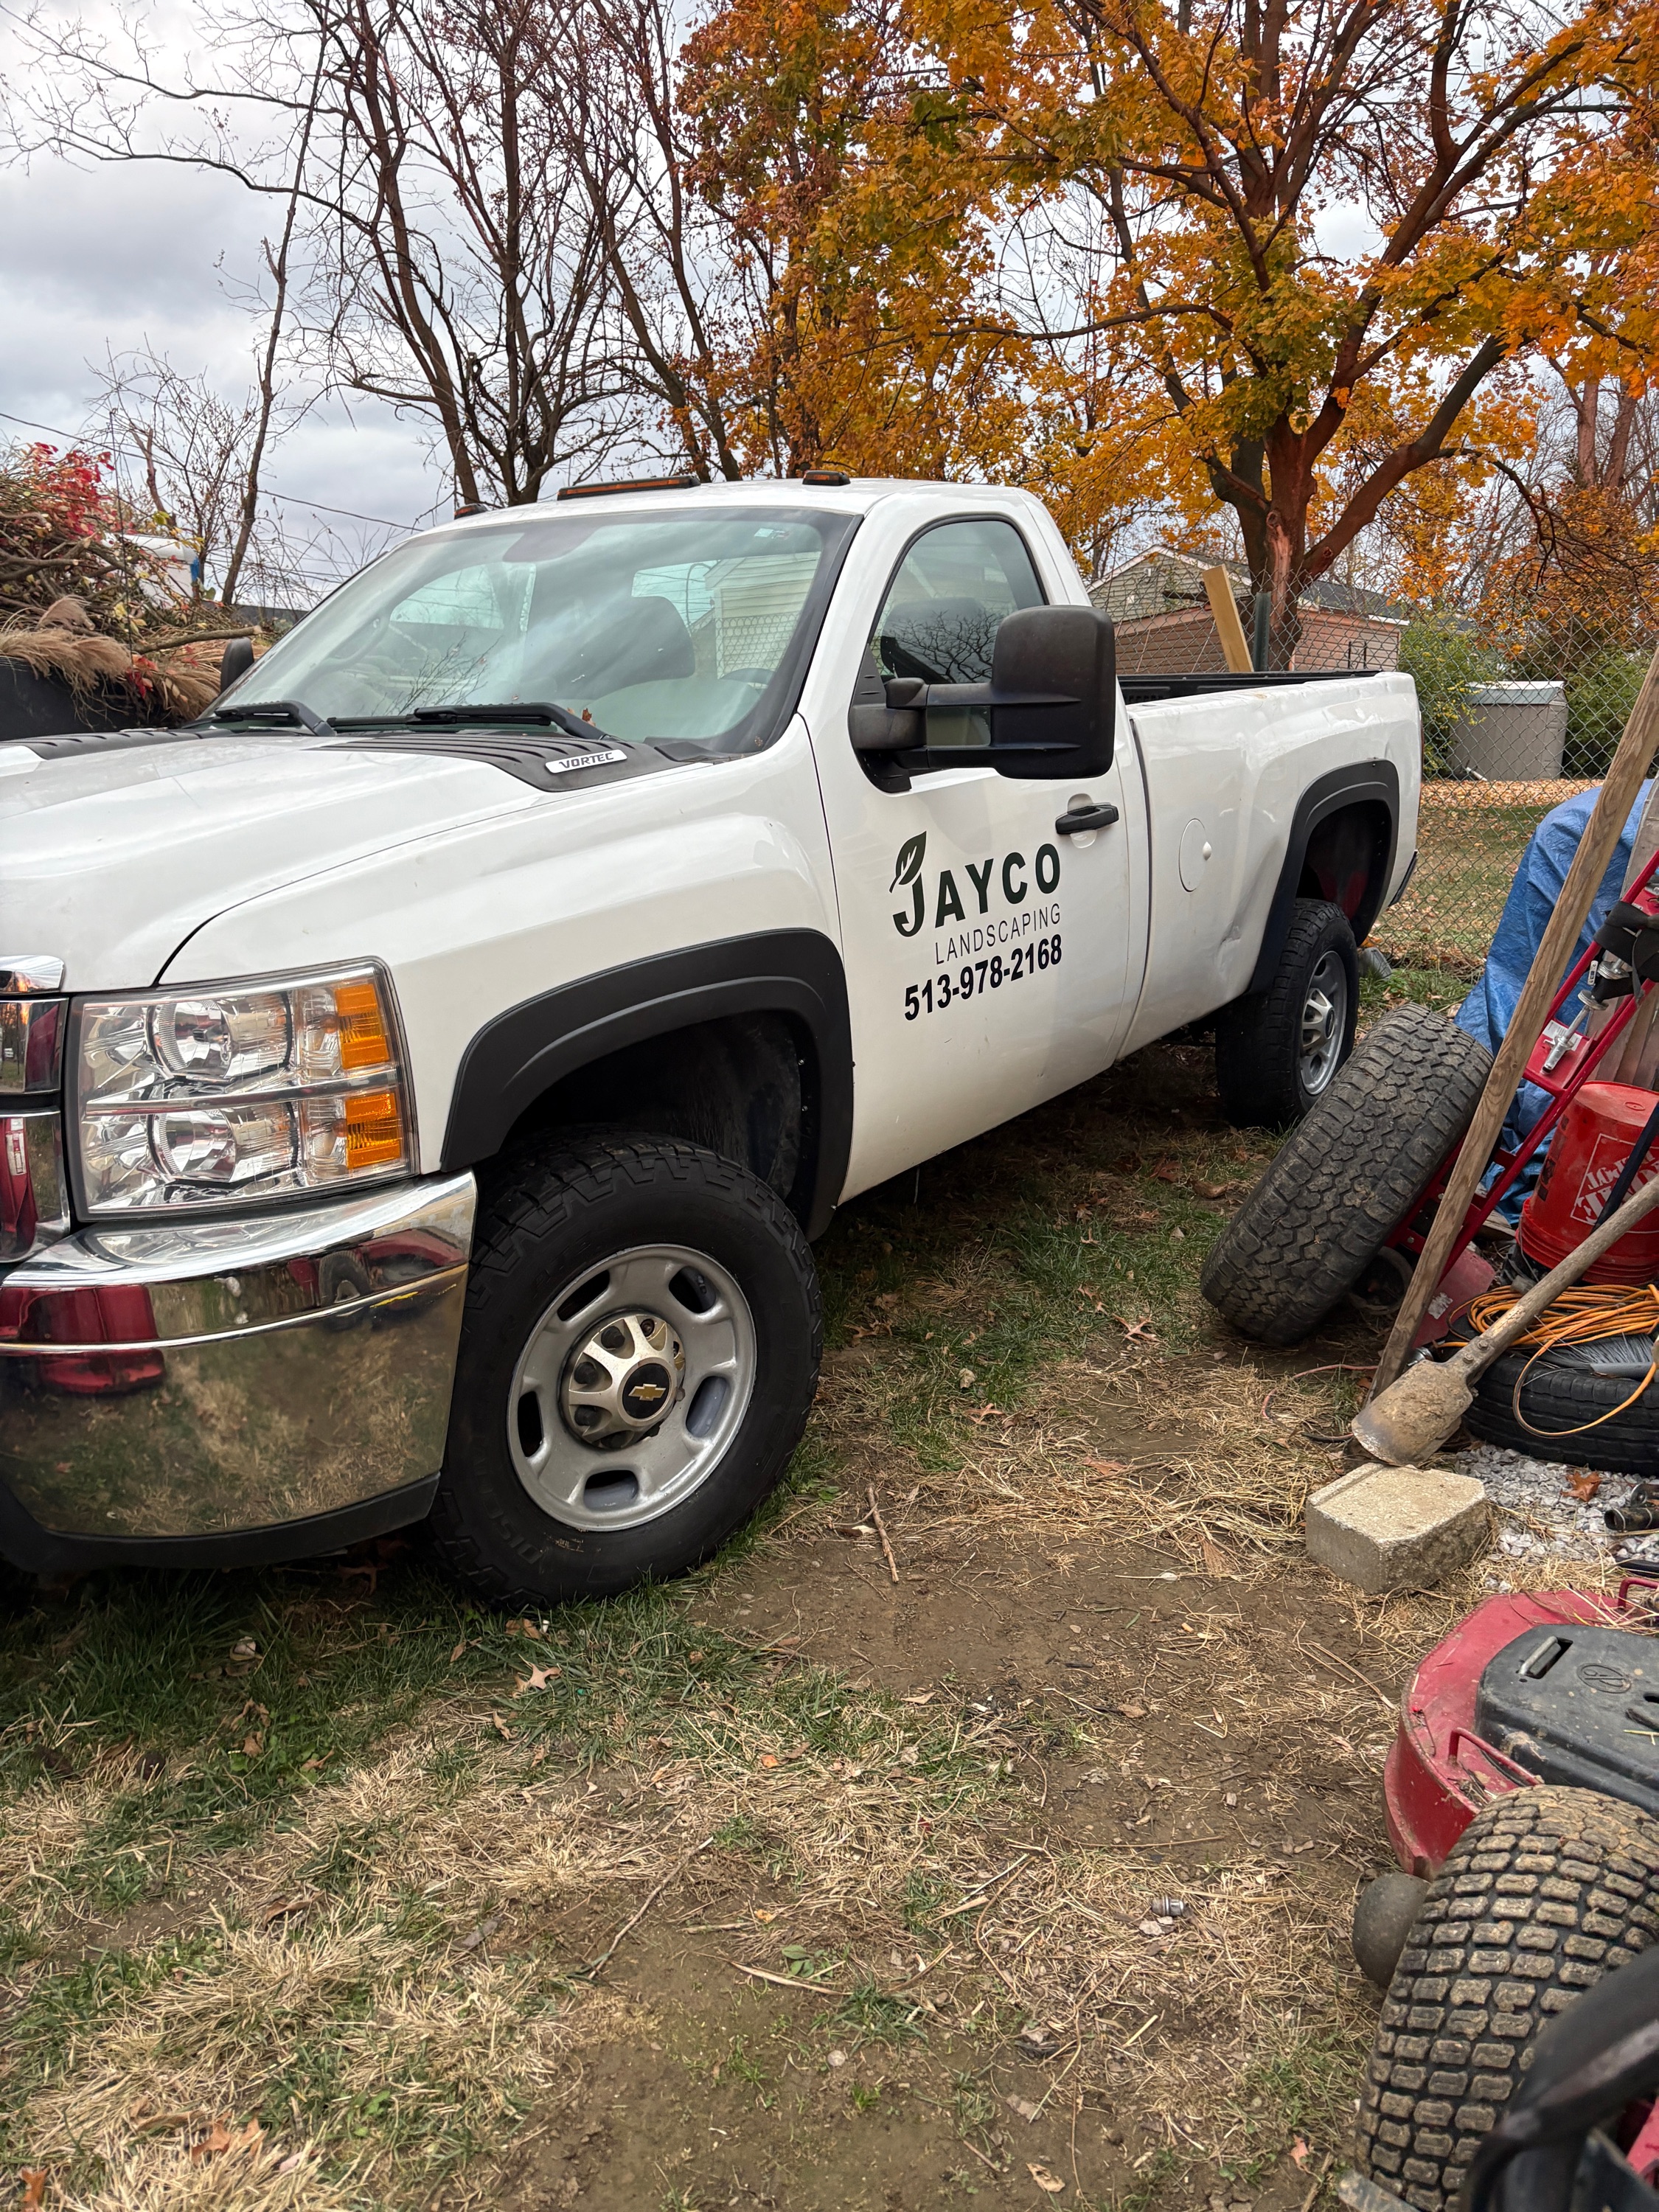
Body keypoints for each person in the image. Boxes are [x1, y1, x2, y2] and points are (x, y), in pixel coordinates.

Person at [1455, 781, 1653, 1217]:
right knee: (1551, 998)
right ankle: (1516, 1153)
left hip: (1591, 832)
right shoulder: (1585, 827)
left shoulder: (1582, 821)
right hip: (1593, 838)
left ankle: (1521, 1151)